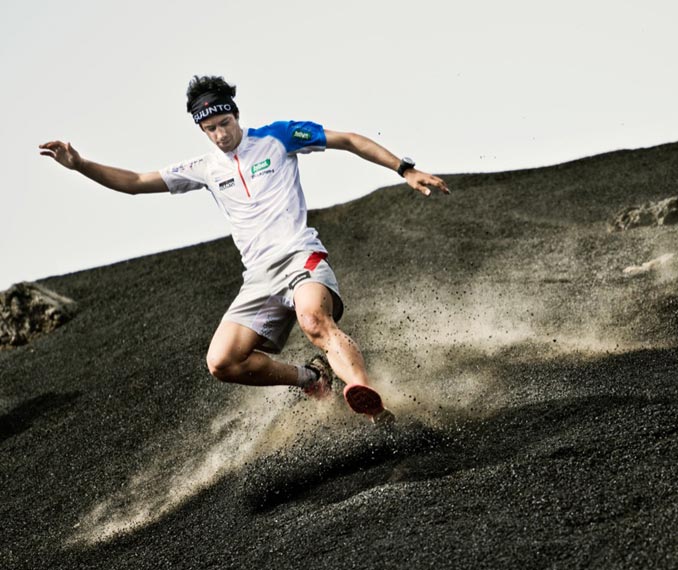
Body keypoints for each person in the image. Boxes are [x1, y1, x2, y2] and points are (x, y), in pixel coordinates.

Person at [39, 75, 449, 425]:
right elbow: (135, 181)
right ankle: (310, 379)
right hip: (258, 278)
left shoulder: (278, 136)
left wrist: (404, 169)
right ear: (201, 131)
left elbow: (347, 139)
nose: (221, 134)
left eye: (225, 122)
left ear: (236, 114)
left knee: (313, 320)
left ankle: (366, 397)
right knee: (222, 363)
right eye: (211, 128)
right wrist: (80, 164)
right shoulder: (204, 168)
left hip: (300, 257)